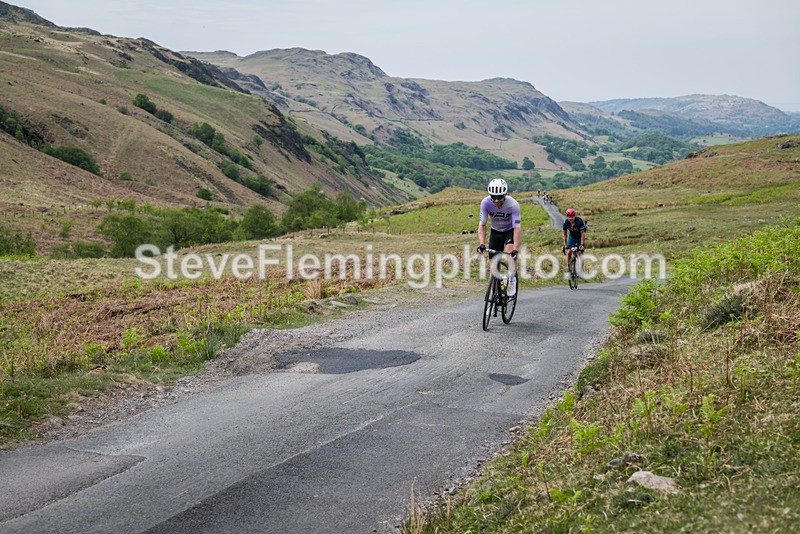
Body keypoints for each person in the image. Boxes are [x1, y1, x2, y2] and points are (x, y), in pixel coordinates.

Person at [477, 178, 521, 296]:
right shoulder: (485, 203)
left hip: (509, 231)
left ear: (505, 195)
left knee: (507, 257)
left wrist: (516, 248)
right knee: (494, 267)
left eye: (499, 197)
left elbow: (517, 227)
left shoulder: (513, 205)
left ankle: (511, 278)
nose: (496, 200)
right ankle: (494, 294)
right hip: (495, 232)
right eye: (493, 197)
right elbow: (482, 225)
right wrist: (481, 244)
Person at [562, 208, 586, 273]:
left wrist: (582, 244)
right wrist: (564, 244)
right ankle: (569, 267)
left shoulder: (579, 221)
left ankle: (581, 268)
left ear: (574, 216)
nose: (571, 219)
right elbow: (564, 234)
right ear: (567, 217)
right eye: (569, 217)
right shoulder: (566, 223)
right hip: (572, 237)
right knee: (569, 252)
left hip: (579, 238)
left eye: (572, 217)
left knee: (580, 253)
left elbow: (583, 234)